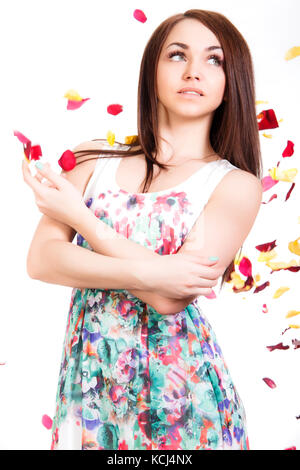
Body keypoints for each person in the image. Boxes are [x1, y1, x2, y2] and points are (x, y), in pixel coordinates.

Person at [23, 9, 263, 450]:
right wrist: (155, 272)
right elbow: (42, 260)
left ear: (233, 83)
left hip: (184, 400)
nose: (194, 72)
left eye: (214, 60)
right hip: (91, 392)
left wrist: (82, 221)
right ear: (152, 68)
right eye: (177, 55)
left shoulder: (234, 185)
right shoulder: (93, 160)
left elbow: (171, 297)